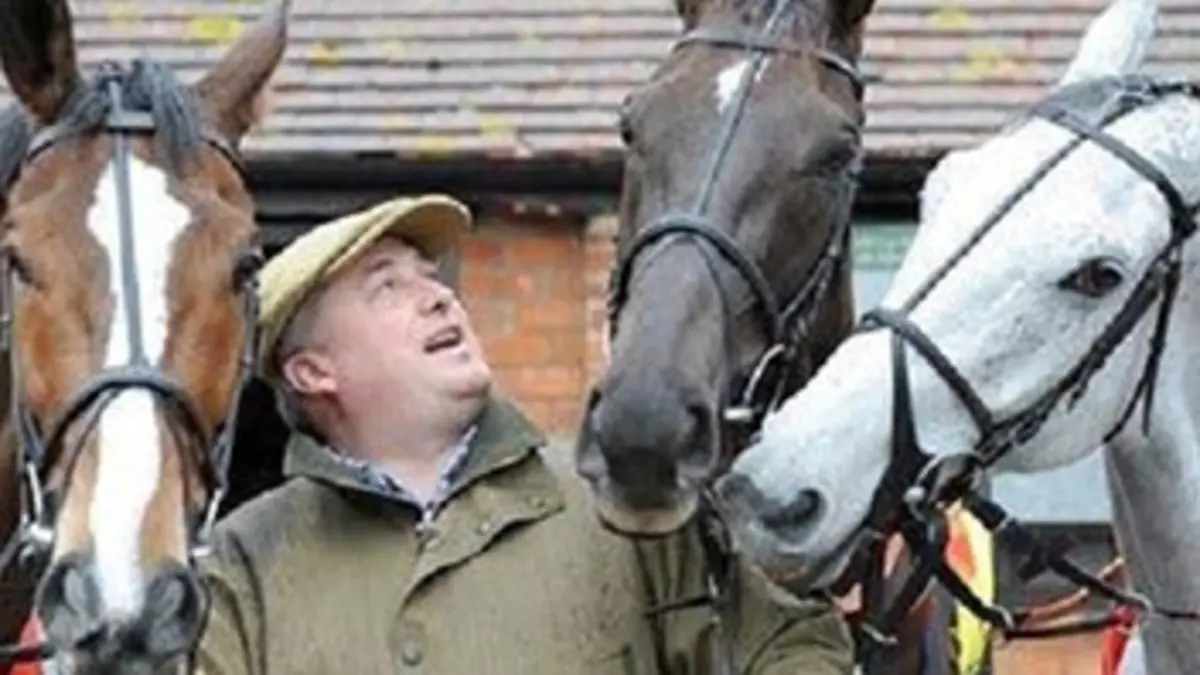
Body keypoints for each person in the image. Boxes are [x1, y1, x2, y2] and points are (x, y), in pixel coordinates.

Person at [193, 194, 856, 674]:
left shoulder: (621, 502)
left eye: (431, 277)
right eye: (386, 287)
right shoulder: (241, 566)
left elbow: (792, 647)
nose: (438, 296)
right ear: (314, 370)